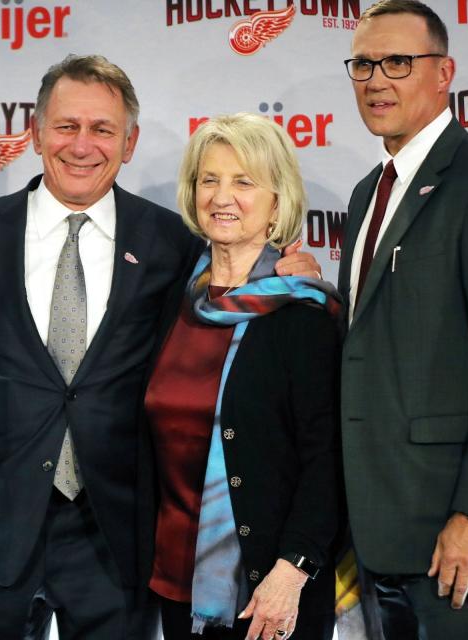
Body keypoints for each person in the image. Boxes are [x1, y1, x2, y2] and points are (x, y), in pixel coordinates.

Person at [0, 55, 321, 640]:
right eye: (66, 126)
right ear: (36, 134)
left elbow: (238, 301)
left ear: (130, 142)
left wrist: (292, 270)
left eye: (103, 129)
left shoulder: (173, 244)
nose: (82, 145)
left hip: (118, 539)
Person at [337, 2, 468, 638]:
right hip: (380, 530)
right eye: (363, 65)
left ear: (443, 72)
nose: (377, 80)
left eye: (399, 62)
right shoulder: (366, 193)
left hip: (457, 538)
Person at [145, 113, 343, 640]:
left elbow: (329, 460)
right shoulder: (176, 301)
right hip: (173, 583)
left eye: (244, 181)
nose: (222, 196)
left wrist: (292, 570)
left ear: (277, 202)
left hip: (269, 593)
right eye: (209, 179)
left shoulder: (303, 314)